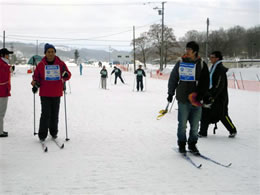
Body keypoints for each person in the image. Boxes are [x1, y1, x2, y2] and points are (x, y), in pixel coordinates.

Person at [167, 41, 209, 154]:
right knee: (182, 124)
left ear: (195, 51)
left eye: (189, 49)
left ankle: (192, 144)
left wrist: (203, 95)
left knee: (195, 126)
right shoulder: (180, 62)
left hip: (196, 99)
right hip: (183, 97)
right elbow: (173, 78)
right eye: (186, 49)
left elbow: (206, 82)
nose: (187, 51)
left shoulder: (201, 64)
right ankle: (181, 144)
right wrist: (170, 93)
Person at [31, 43, 71, 142]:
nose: (50, 54)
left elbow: (68, 74)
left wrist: (66, 75)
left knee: (54, 114)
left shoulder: (60, 63)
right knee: (45, 114)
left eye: (52, 52)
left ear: (55, 52)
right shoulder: (41, 64)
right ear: (45, 53)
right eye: (48, 52)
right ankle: (42, 134)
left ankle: (54, 132)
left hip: (57, 93)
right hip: (45, 93)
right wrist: (35, 84)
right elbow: (36, 77)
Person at [198, 51, 237, 138]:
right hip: (210, 95)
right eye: (210, 57)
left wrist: (212, 96)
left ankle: (232, 130)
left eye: (212, 57)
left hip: (219, 97)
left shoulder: (220, 69)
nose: (210, 59)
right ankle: (202, 132)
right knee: (205, 112)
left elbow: (219, 85)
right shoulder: (213, 67)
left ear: (217, 58)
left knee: (222, 114)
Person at [0, 48, 15, 137]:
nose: (8, 56)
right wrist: (10, 68)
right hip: (2, 91)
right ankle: (0, 132)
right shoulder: (2, 64)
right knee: (1, 112)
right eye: (7, 54)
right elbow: (6, 68)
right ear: (2, 55)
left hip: (3, 90)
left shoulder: (3, 63)